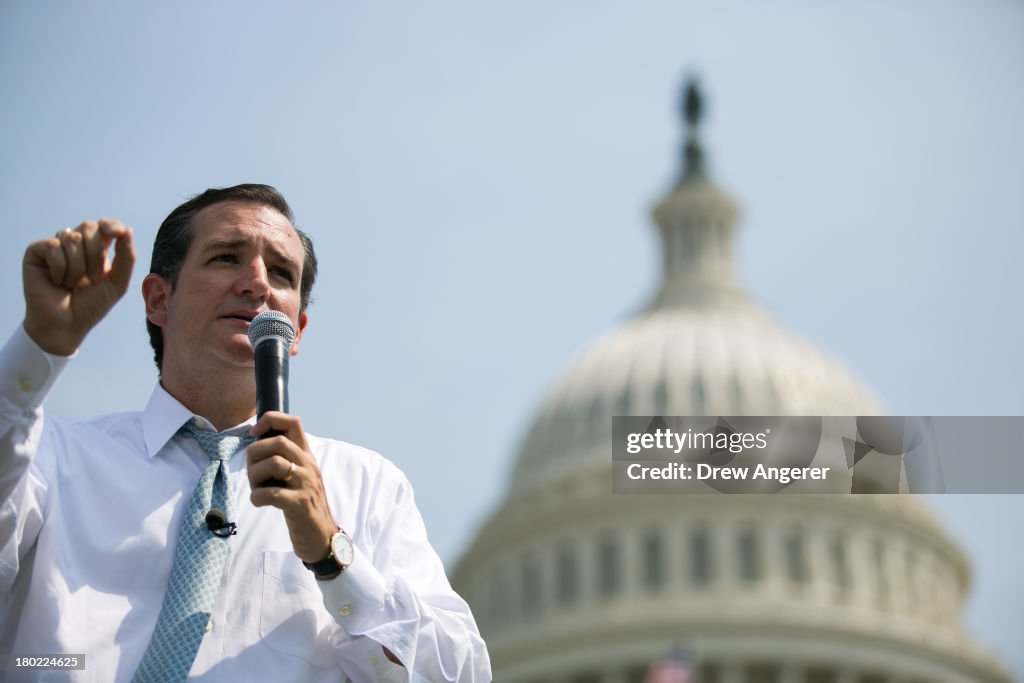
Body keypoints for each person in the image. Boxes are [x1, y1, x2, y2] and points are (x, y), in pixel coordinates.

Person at [0, 184, 491, 682]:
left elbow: (457, 672)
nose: (256, 282)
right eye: (226, 258)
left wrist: (331, 554)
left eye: (281, 272)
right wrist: (40, 346)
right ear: (157, 299)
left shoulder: (367, 486)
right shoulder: (53, 456)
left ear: (296, 330)